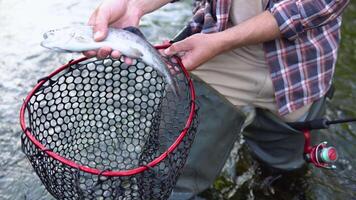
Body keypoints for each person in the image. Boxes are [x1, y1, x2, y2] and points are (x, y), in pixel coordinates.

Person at [84, 0, 350, 199]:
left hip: (303, 68)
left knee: (284, 175)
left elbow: (314, 5)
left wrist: (221, 42)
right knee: (168, 183)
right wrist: (133, 6)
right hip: (212, 52)